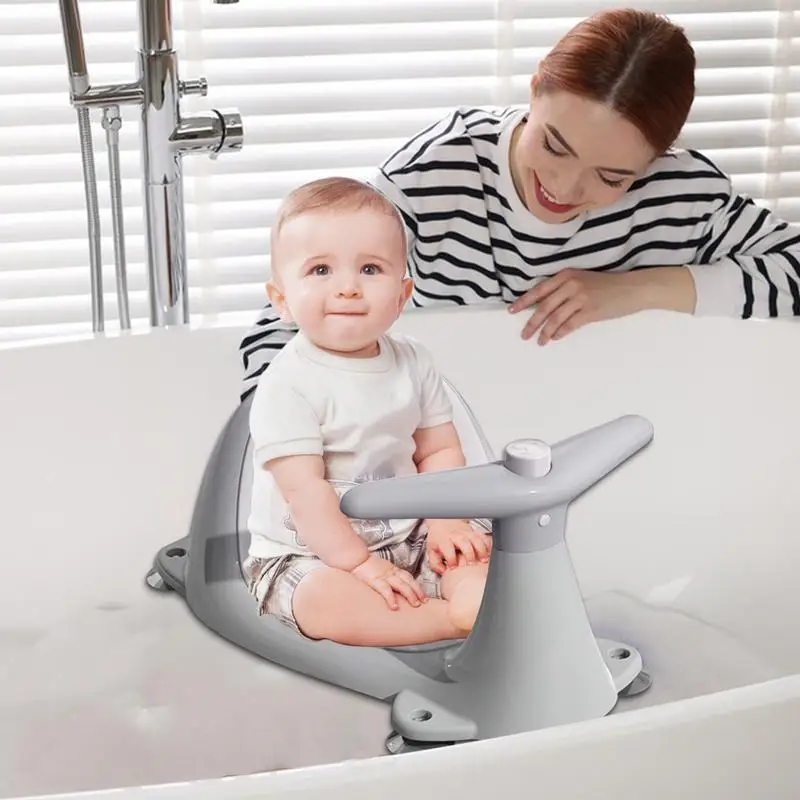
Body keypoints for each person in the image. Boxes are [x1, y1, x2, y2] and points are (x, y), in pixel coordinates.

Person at [238, 7, 800, 402]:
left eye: (612, 176)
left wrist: (640, 288)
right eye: (554, 144)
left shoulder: (679, 194)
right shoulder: (432, 175)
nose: (564, 188)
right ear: (535, 89)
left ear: (655, 160)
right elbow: (284, 321)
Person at [243, 176, 493, 646]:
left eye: (371, 270)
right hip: (310, 552)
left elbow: (438, 450)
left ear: (401, 296)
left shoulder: (413, 361)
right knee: (324, 601)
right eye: (320, 271)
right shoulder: (287, 383)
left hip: (411, 531)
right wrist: (360, 564)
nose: (348, 289)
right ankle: (448, 621)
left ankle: (472, 598)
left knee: (478, 549)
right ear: (281, 300)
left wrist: (445, 523)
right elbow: (305, 493)